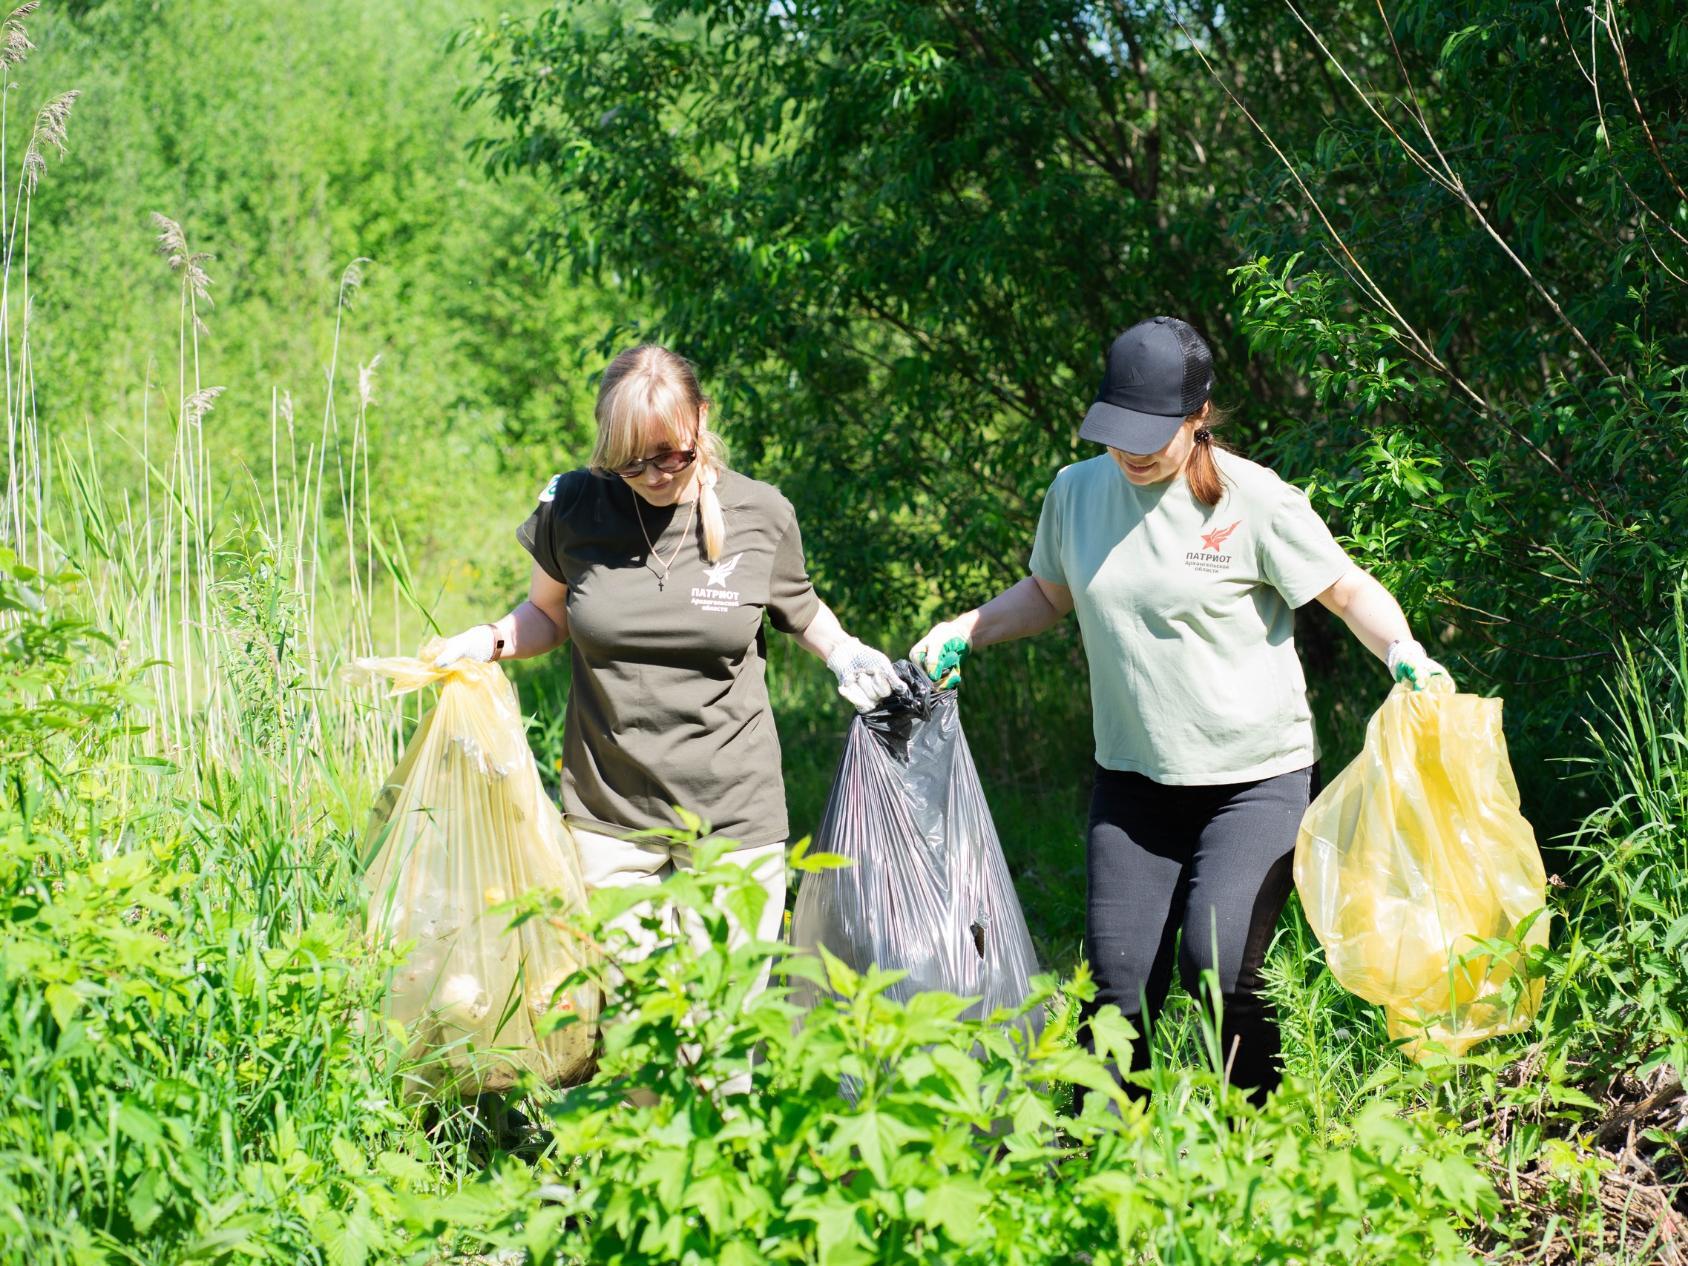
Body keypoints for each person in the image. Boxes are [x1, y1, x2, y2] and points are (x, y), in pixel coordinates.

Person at [911, 316, 1448, 1104]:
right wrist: (967, 628)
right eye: (1116, 430)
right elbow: (1050, 594)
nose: (1130, 449)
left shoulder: (1252, 500)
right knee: (1115, 989)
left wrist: (1405, 651)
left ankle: (1254, 1137)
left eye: (1151, 434)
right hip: (1134, 784)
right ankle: (1101, 1156)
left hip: (1256, 780)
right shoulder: (1077, 492)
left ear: (1198, 418)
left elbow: (1344, 588)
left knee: (1218, 963)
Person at [432, 344, 902, 1040]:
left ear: (701, 420)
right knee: (639, 1036)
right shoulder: (574, 506)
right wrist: (491, 638)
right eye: (631, 462)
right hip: (610, 819)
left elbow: (801, 609)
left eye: (672, 455)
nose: (653, 475)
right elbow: (547, 614)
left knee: (723, 1038)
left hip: (733, 820)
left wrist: (847, 655)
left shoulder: (760, 514)